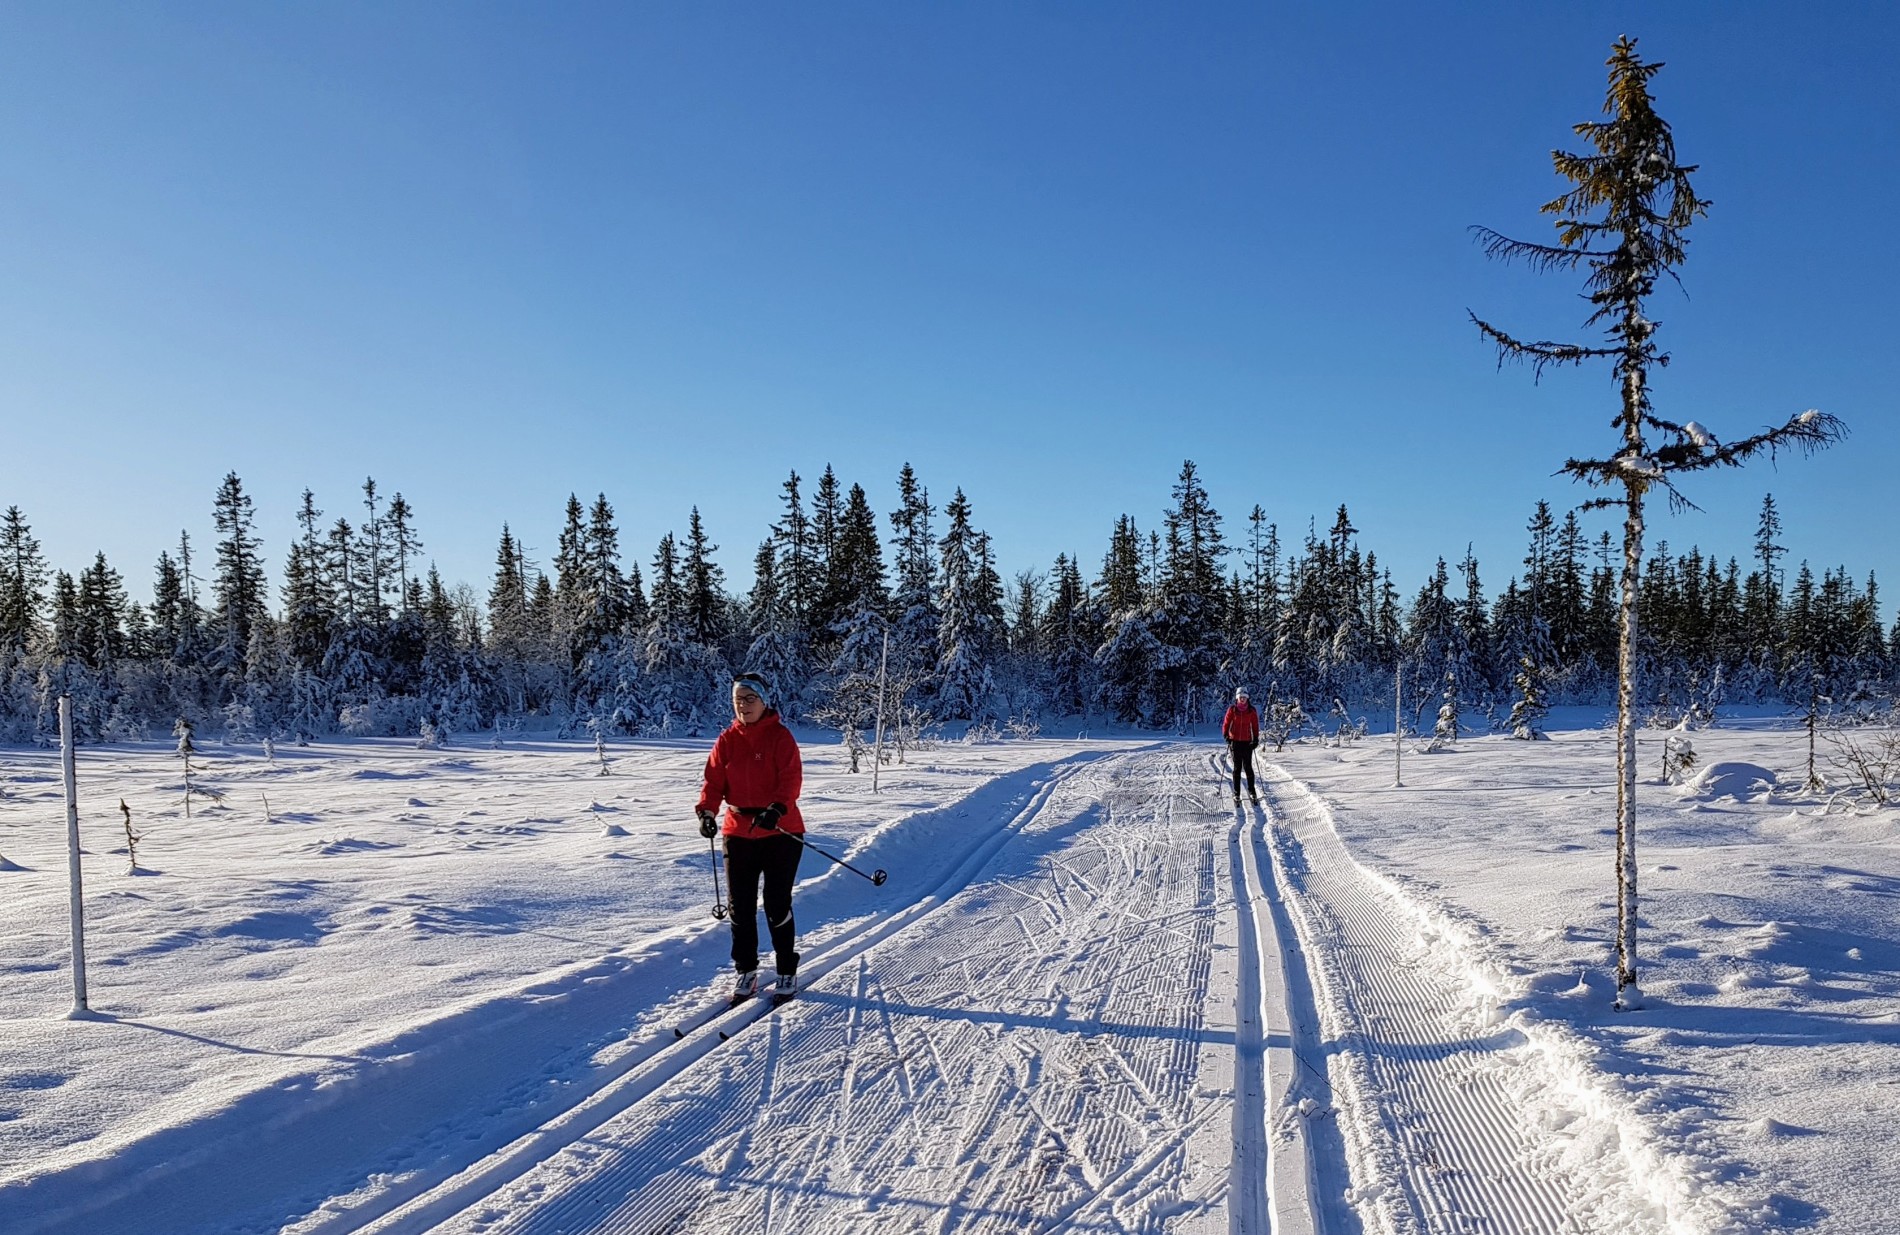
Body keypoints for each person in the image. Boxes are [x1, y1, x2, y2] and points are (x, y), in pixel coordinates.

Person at [697, 673, 805, 1003]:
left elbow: (791, 780)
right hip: (738, 830)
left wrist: (777, 808)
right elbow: (713, 782)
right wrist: (706, 812)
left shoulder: (780, 737)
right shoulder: (727, 740)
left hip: (781, 830)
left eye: (750, 698)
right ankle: (746, 969)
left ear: (763, 701)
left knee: (776, 902)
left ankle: (786, 968)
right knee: (740, 906)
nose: (743, 705)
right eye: (738, 700)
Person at [1222, 686, 1261, 804]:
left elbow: (1255, 725)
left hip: (1247, 742)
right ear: (1237, 698)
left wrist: (1255, 739)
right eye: (1240, 697)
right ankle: (1236, 792)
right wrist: (1226, 735)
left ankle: (1252, 791)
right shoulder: (1232, 710)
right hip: (1235, 742)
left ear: (1247, 698)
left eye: (1244, 697)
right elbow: (1226, 723)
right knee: (1237, 768)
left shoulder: (1251, 710)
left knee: (1248, 767)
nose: (1242, 699)